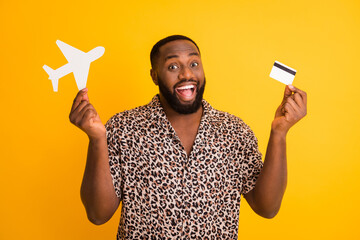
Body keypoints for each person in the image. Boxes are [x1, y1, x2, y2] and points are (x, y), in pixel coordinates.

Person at [69, 35, 307, 239]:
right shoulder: (123, 128)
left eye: (194, 63)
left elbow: (267, 207)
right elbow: (98, 214)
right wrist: (97, 140)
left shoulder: (234, 131)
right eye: (173, 66)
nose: (186, 74)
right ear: (154, 76)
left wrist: (279, 132)